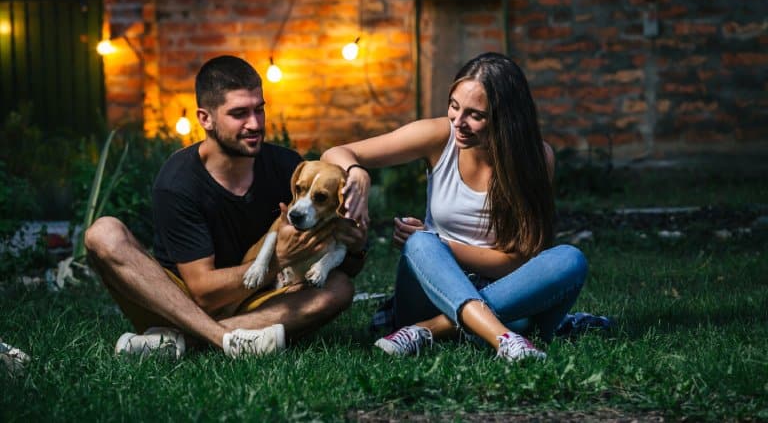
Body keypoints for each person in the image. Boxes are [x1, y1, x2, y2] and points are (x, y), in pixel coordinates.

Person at [85, 55, 368, 359]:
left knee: (338, 289)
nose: (255, 124)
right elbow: (204, 294)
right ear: (205, 118)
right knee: (103, 233)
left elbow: (345, 264)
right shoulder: (178, 180)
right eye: (239, 113)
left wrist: (356, 246)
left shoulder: (288, 168)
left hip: (258, 300)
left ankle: (182, 344)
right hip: (178, 303)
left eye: (259, 109)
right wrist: (278, 259)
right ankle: (224, 339)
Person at [321, 52, 588, 362]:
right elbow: (336, 152)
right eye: (454, 106)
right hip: (430, 290)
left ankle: (426, 333)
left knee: (571, 259)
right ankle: (503, 338)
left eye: (475, 115)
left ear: (507, 118)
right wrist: (358, 173)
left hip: (505, 293)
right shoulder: (438, 136)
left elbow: (518, 262)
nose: (458, 122)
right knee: (419, 243)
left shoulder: (537, 159)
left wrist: (445, 245)